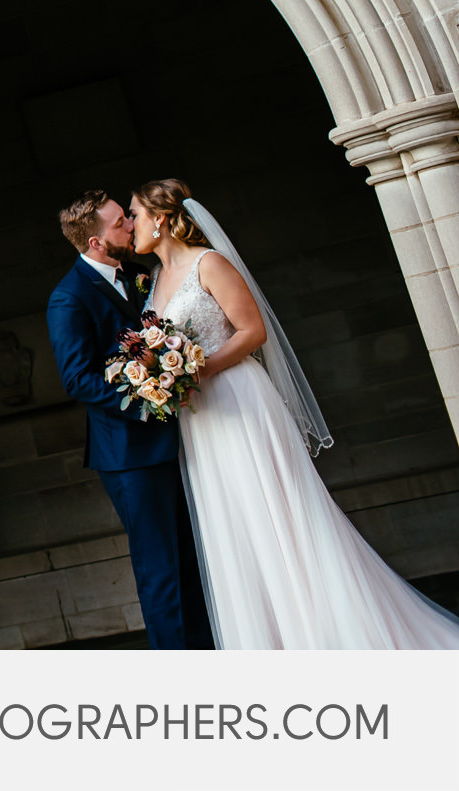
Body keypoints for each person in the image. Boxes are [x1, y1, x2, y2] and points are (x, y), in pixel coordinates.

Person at [128, 178, 459, 648]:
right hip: (201, 420)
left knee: (278, 516)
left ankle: (321, 634)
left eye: (135, 214)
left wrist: (197, 371)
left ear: (160, 219)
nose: (131, 224)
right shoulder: (156, 280)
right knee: (235, 524)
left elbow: (252, 331)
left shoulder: (210, 263)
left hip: (239, 401)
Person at [46, 188, 213, 649]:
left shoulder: (141, 276)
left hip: (181, 439)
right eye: (121, 221)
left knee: (193, 557)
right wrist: (150, 396)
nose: (131, 225)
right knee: (161, 569)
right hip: (130, 455)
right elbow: (79, 380)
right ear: (97, 242)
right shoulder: (69, 299)